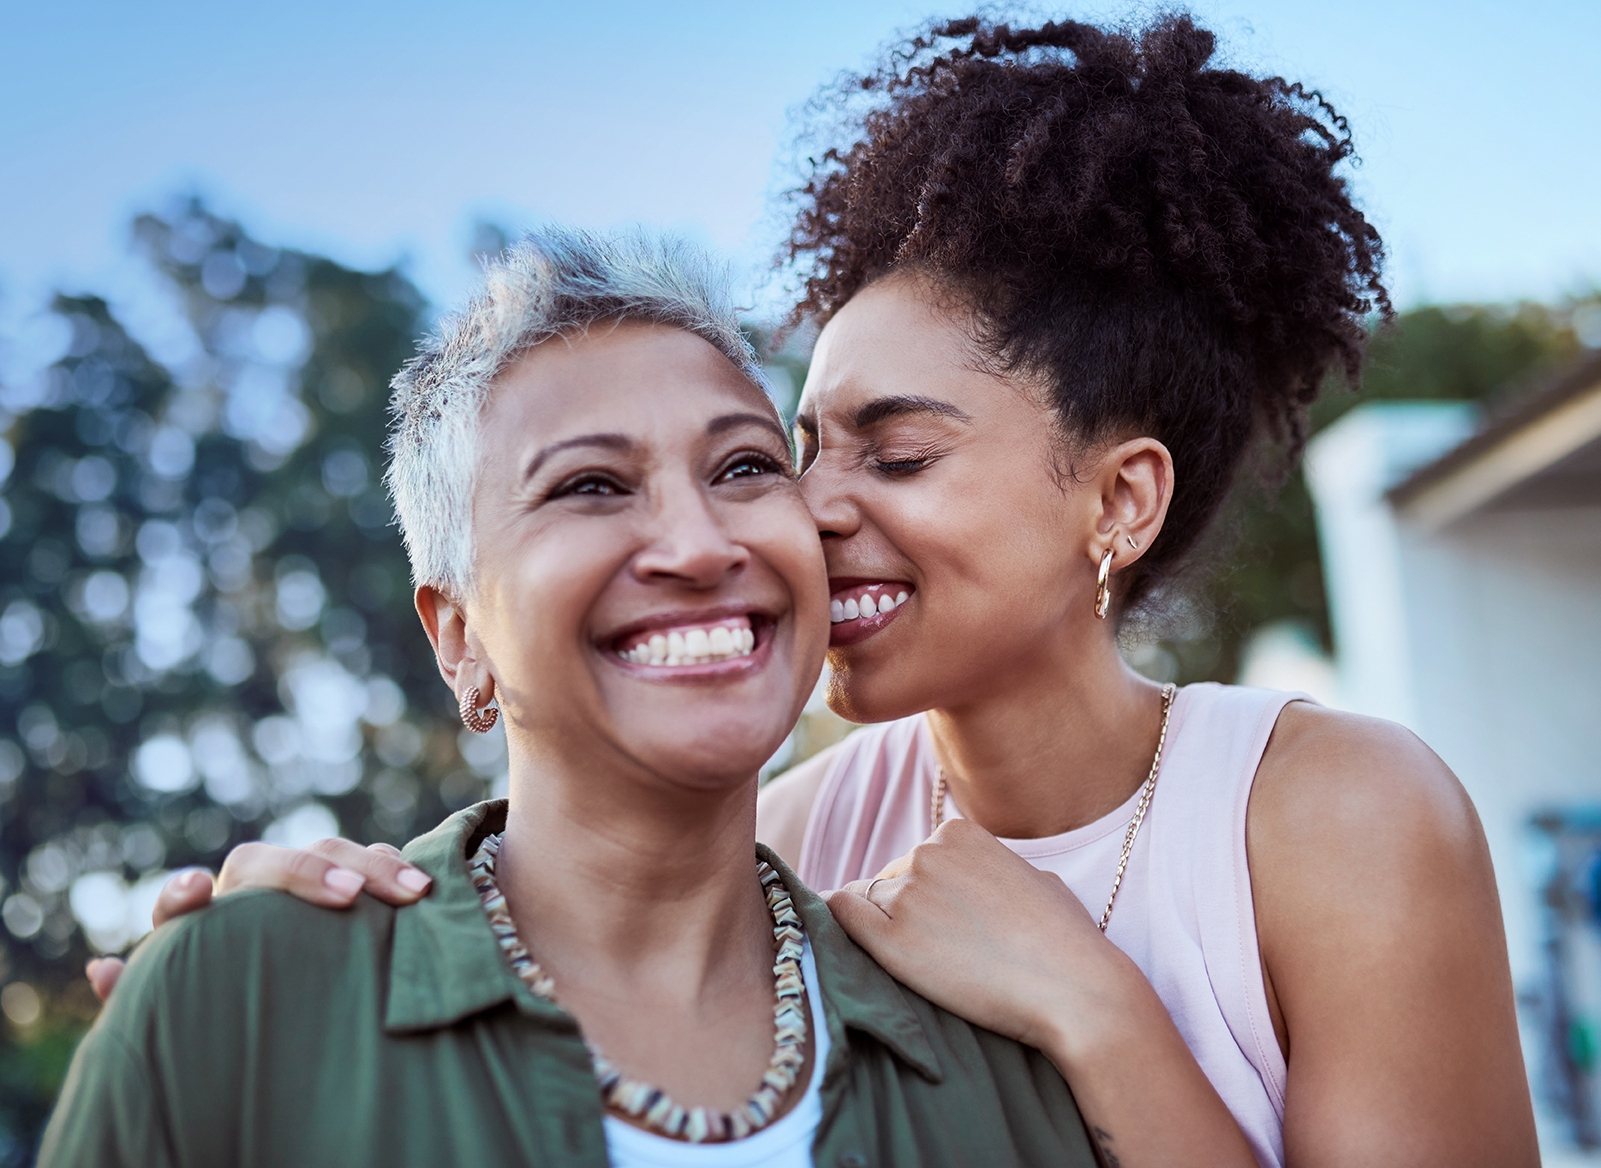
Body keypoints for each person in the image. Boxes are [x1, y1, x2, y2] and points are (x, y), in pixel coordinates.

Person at [91, 12, 1539, 1168]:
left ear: (1118, 500)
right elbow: (558, 876)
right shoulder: (804, 835)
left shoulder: (1333, 815)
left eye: (897, 454)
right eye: (800, 451)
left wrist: (1097, 1012)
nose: (808, 511)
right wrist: (279, 925)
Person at [44, 229, 1097, 1167]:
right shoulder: (240, 1004)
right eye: (590, 485)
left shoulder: (983, 1048)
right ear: (460, 636)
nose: (699, 543)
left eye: (742, 466)